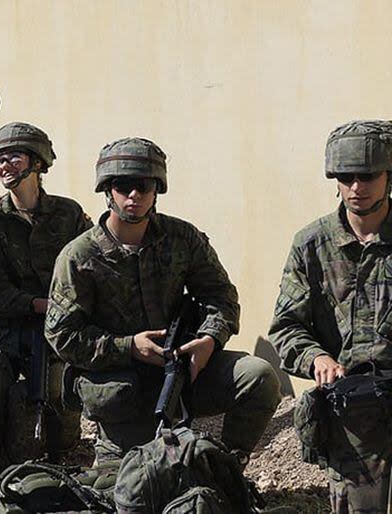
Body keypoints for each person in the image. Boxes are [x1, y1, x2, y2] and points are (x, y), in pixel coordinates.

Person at [45, 137, 281, 465]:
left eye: (143, 186)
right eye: (123, 185)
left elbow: (221, 296)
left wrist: (209, 340)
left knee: (258, 377)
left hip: (184, 370)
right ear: (107, 190)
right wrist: (128, 346)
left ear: (157, 190)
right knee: (133, 485)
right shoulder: (79, 257)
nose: (134, 195)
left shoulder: (182, 238)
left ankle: (227, 467)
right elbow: (63, 337)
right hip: (122, 387)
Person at [270, 120, 392, 513]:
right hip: (355, 411)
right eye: (346, 176)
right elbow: (286, 327)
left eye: (368, 174)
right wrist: (317, 358)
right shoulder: (312, 244)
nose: (357, 186)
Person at [0, 122, 91, 459]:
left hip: (64, 324)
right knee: (17, 407)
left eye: (13, 157)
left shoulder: (68, 213)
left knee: (64, 422)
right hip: (16, 324)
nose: (4, 165)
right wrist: (39, 305)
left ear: (37, 163)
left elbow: (92, 267)